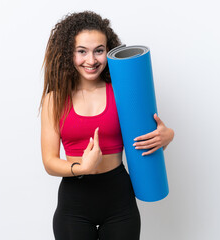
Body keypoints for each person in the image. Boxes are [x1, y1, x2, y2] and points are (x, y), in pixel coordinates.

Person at [40, 11, 174, 240]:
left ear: (108, 51)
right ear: (68, 53)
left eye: (98, 51)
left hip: (119, 201)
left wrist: (167, 136)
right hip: (74, 205)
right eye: (82, 51)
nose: (91, 61)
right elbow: (50, 162)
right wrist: (82, 168)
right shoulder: (54, 99)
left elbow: (147, 139)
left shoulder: (122, 93)